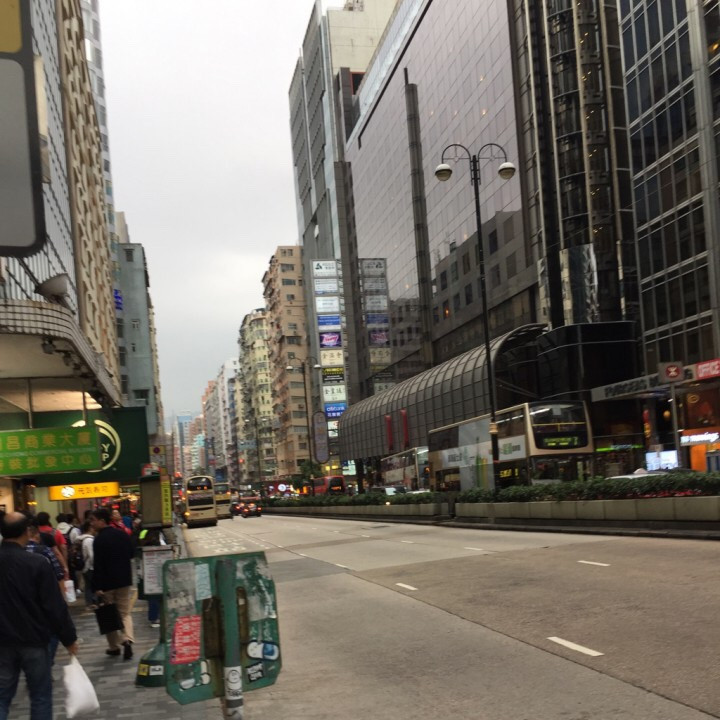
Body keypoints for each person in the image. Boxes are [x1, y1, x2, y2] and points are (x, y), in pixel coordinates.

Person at [0, 512, 77, 720]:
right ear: (27, 531)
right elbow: (54, 606)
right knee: (40, 696)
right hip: (34, 639)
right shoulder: (37, 563)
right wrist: (69, 638)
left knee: (2, 697)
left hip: (2, 642)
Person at [90, 508, 135, 659]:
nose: (91, 523)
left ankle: (114, 647)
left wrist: (97, 586)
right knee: (124, 613)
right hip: (124, 580)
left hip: (107, 583)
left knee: (108, 613)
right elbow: (131, 553)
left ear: (102, 521)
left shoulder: (99, 540)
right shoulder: (122, 534)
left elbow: (98, 565)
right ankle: (127, 639)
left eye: (93, 520)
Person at [36, 511, 69, 580]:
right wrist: (64, 564)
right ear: (48, 520)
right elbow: (63, 548)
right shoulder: (55, 532)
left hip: (37, 563)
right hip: (54, 563)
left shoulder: (34, 534)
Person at [76, 521, 97, 609]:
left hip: (84, 566)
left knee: (88, 585)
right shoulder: (89, 540)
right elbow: (92, 555)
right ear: (89, 528)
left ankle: (89, 603)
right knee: (92, 585)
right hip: (90, 567)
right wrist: (96, 566)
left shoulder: (80, 539)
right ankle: (92, 602)